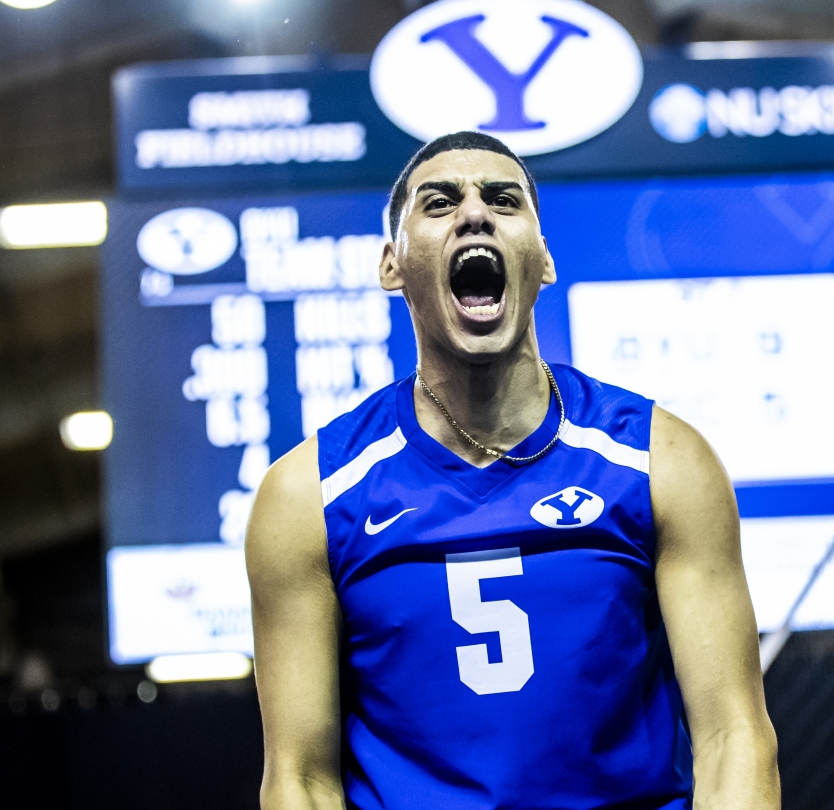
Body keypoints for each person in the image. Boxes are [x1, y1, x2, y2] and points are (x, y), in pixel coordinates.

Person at [245, 131, 779, 810]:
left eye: (503, 199)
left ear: (545, 260)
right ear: (391, 265)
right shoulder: (309, 496)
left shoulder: (658, 461)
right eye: (438, 203)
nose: (475, 213)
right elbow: (299, 779)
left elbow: (734, 737)